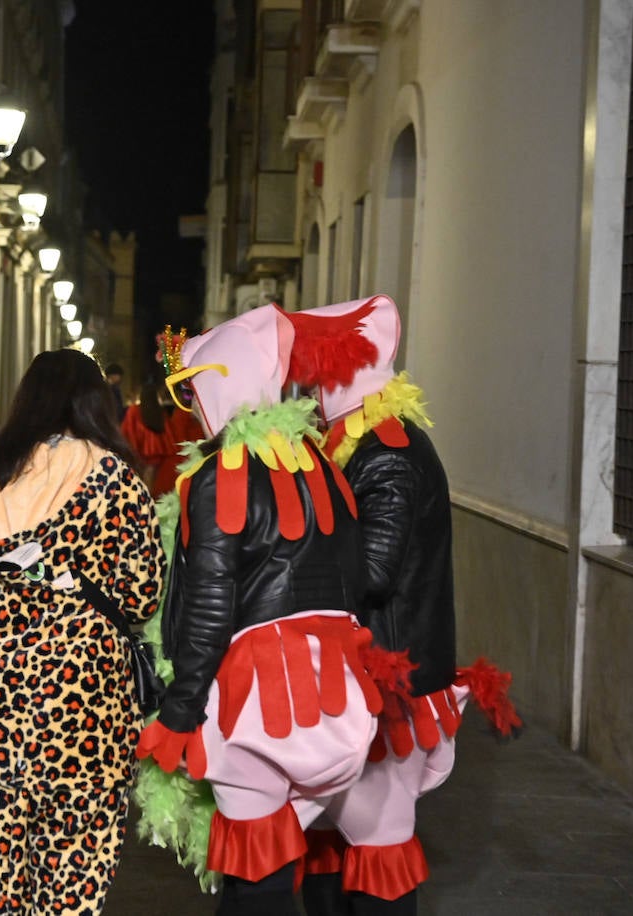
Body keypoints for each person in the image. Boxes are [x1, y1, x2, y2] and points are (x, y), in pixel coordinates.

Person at [135, 304, 390, 916]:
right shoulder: (324, 463)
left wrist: (180, 708)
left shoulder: (219, 473)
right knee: (285, 868)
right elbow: (358, 580)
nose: (193, 407)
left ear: (222, 383)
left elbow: (209, 604)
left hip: (259, 704)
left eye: (195, 389)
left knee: (257, 880)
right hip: (338, 695)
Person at [285, 296, 519, 916]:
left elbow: (372, 572)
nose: (308, 384)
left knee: (379, 846)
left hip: (387, 682)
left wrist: (280, 567)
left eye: (317, 369)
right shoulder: (352, 442)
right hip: (359, 677)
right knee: (335, 842)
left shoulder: (386, 448)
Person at [0, 348, 164, 916]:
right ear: (95, 403)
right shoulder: (114, 481)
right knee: (76, 848)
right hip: (84, 688)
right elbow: (142, 594)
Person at [120, 371, 206, 498]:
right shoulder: (161, 412)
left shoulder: (134, 411)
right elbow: (170, 434)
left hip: (141, 452)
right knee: (152, 479)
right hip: (159, 453)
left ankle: (143, 499)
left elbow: (127, 431)